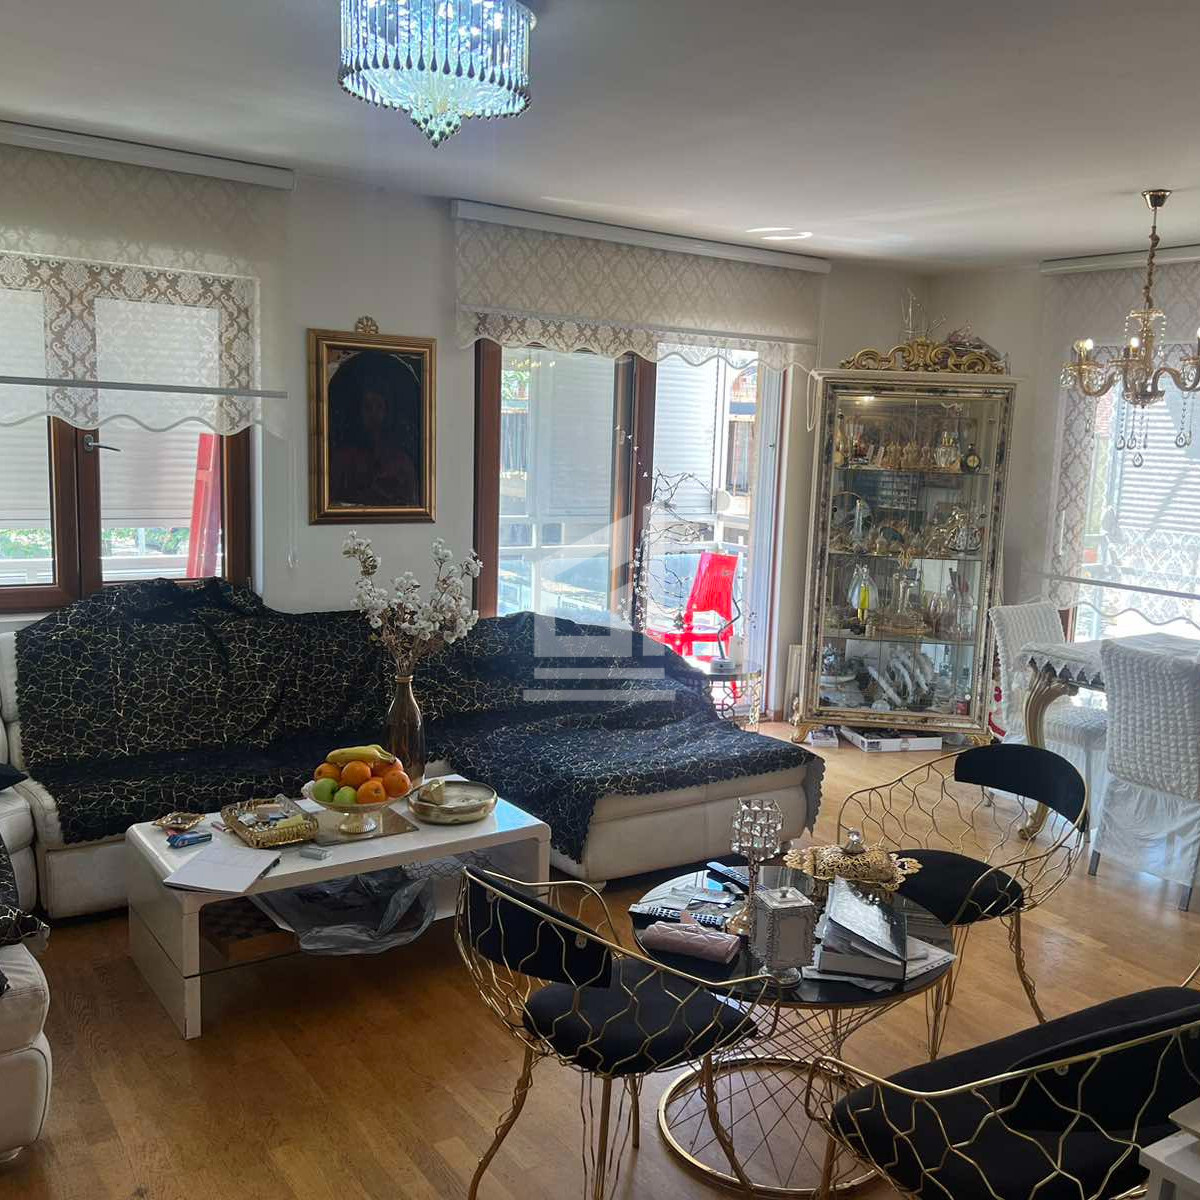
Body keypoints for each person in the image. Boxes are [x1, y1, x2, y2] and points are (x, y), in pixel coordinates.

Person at [327, 349, 422, 508]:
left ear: (387, 412)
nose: (373, 414)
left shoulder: (402, 462)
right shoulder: (343, 459)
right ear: (359, 412)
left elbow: (411, 503)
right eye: (368, 407)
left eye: (379, 407)